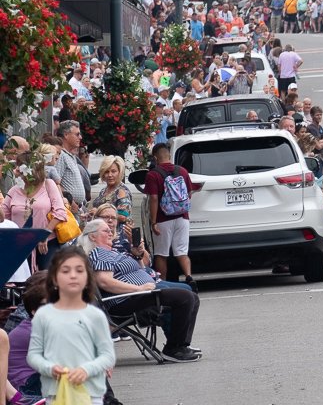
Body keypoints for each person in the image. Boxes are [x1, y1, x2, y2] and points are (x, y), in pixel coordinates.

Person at [80, 220, 201, 362]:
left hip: (140, 295)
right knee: (185, 297)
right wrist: (139, 288)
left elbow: (141, 270)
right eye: (105, 231)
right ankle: (173, 349)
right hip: (126, 300)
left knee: (191, 296)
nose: (110, 233)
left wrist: (138, 256)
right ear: (92, 236)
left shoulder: (111, 252)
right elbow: (104, 281)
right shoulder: (99, 252)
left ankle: (181, 345)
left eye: (110, 230)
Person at [26, 248, 116, 403]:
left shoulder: (95, 316)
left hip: (91, 392)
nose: (73, 276)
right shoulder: (43, 315)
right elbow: (33, 355)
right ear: (54, 278)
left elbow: (107, 356)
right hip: (56, 392)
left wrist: (86, 370)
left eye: (79, 270)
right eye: (65, 271)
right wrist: (50, 368)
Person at [2, 149, 67, 271]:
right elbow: (4, 217)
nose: (16, 170)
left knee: (45, 279)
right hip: (20, 245)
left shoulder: (48, 185)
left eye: (19, 167)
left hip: (47, 242)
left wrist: (44, 235)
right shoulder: (14, 190)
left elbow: (60, 212)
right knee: (21, 282)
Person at [144, 143, 197, 291]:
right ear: (169, 155)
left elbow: (154, 199)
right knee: (181, 251)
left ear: (155, 157)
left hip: (163, 219)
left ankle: (163, 283)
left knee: (161, 254)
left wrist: (153, 222)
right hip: (182, 217)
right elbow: (189, 194)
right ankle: (189, 277)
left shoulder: (153, 174)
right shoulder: (183, 171)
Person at [55, 120, 89, 208]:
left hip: (76, 208)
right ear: (66, 135)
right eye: (77, 134)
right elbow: (54, 182)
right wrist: (70, 202)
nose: (80, 137)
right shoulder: (60, 155)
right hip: (68, 207)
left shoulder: (70, 155)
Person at [91, 156, 132, 226]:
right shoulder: (103, 190)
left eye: (113, 171)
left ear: (120, 172)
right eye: (107, 172)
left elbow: (123, 217)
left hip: (117, 234)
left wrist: (99, 213)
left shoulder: (122, 191)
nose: (110, 175)